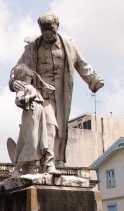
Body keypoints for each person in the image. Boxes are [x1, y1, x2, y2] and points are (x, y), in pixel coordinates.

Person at [8, 12, 104, 176]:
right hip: (39, 93)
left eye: (50, 28)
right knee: (50, 126)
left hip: (60, 93)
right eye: (44, 29)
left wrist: (93, 80)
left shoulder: (68, 45)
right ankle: (49, 164)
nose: (47, 33)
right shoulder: (33, 47)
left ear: (57, 26)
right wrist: (13, 83)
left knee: (58, 130)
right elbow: (17, 71)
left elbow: (81, 63)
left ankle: (43, 163)